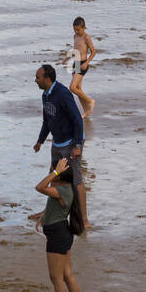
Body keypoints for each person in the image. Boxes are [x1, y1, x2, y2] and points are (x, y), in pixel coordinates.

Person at [32, 64, 89, 228]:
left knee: (76, 180)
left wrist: (77, 145)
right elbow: (47, 120)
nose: (35, 80)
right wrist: (40, 141)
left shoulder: (63, 94)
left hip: (71, 142)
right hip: (57, 142)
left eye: (38, 77)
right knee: (54, 176)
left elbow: (78, 120)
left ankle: (84, 219)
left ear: (47, 79)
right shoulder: (45, 95)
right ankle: (48, 211)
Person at [34, 155, 85, 292]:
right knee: (67, 274)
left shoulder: (62, 190)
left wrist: (56, 171)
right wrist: (44, 215)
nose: (50, 173)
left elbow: (39, 187)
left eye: (53, 172)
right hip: (61, 232)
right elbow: (54, 205)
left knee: (56, 278)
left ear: (61, 176)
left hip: (58, 235)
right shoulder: (64, 190)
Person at [68, 17, 96, 118]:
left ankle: (90, 101)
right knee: (78, 88)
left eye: (78, 29)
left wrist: (87, 62)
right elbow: (75, 50)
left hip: (83, 63)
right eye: (75, 29)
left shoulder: (86, 37)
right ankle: (86, 110)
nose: (76, 31)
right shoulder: (75, 36)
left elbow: (93, 51)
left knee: (72, 87)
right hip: (76, 63)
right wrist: (67, 57)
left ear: (84, 28)